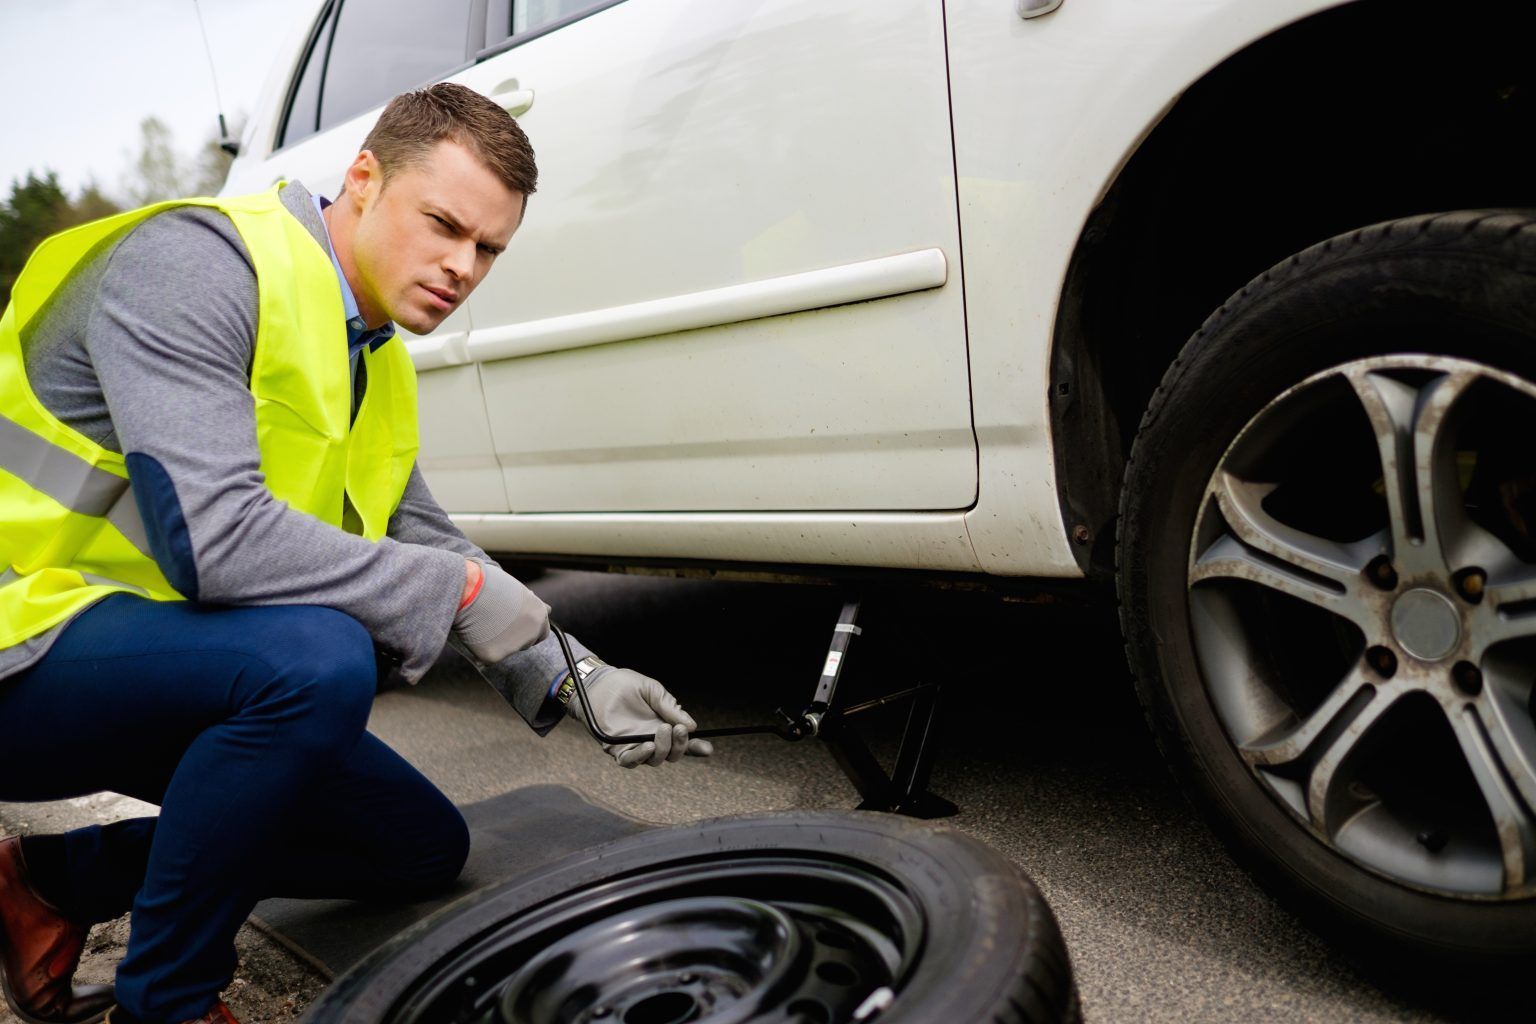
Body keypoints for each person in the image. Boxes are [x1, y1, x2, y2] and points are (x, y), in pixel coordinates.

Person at [0, 83, 709, 1024]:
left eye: (488, 248)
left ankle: (47, 881)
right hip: (24, 647)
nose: (462, 267)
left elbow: (418, 534)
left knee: (411, 846)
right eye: (445, 225)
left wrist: (577, 677)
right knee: (316, 661)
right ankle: (166, 1003)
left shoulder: (365, 349)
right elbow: (216, 541)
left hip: (151, 661)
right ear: (365, 180)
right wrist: (455, 593)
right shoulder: (191, 265)